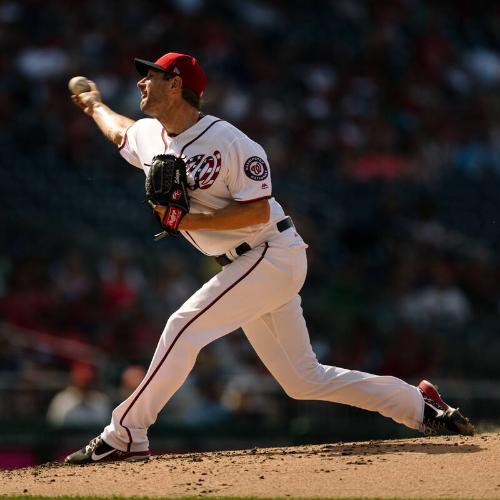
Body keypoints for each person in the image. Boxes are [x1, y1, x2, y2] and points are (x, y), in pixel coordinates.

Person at [65, 52, 474, 464]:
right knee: (302, 379)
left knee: (183, 326)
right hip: (246, 265)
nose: (140, 83)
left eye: (149, 76)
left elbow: (257, 210)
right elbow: (122, 132)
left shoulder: (231, 142)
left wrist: (188, 217)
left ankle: (126, 434)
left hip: (270, 252)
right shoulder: (152, 134)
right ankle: (422, 409)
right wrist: (95, 105)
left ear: (175, 84)